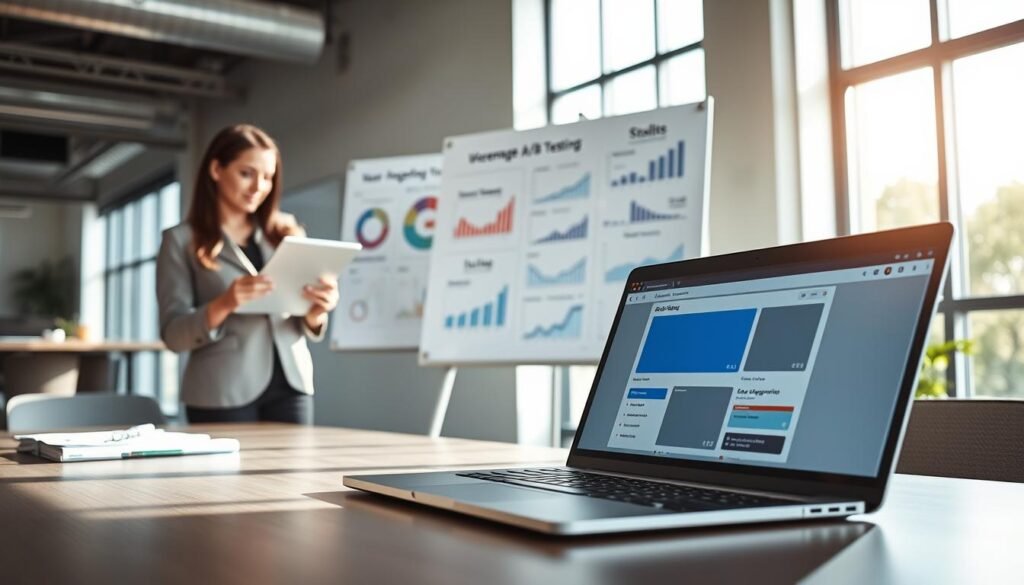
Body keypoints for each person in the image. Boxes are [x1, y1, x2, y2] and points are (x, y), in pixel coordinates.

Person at [156, 124, 338, 424]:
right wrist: (225, 303)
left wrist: (317, 312)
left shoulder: (287, 231)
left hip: (291, 384)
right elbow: (173, 335)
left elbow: (301, 315)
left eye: (267, 177)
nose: (258, 187)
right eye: (247, 173)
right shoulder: (180, 241)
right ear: (216, 169)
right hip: (221, 389)